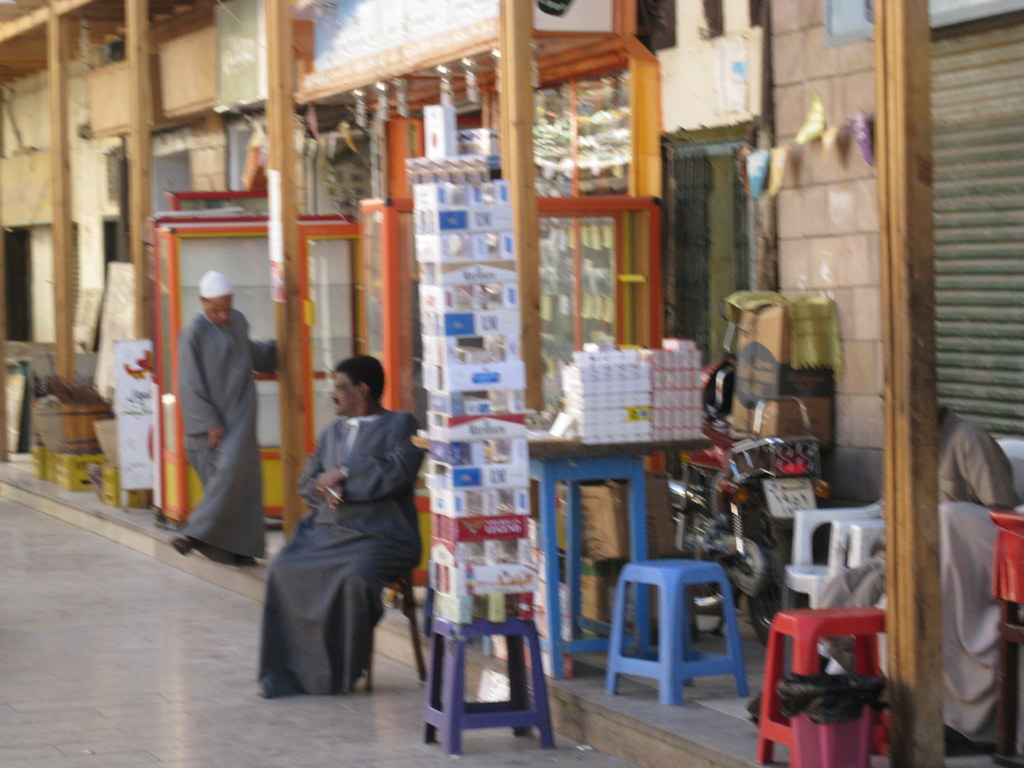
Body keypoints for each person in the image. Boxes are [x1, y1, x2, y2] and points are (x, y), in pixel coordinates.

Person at [816, 405, 1020, 753]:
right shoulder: (904, 447)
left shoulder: (968, 439)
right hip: (898, 554)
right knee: (838, 590)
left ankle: (841, 693)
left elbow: (1000, 516)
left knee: (881, 602)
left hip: (954, 562)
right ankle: (814, 687)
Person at [258, 354, 424, 697]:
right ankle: (289, 672)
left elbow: (396, 473)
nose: (332, 395)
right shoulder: (331, 431)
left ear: (362, 390)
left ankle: (336, 673)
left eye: (339, 388)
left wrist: (345, 475)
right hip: (326, 531)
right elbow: (308, 480)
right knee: (283, 569)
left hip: (381, 534)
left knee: (354, 578)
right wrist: (326, 485)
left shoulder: (402, 425)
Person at [173, 270, 277, 566]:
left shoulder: (239, 321)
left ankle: (226, 545)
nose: (222, 315)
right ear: (202, 302)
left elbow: (248, 352)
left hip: (242, 413)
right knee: (229, 478)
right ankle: (207, 540)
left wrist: (280, 351)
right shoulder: (194, 332)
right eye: (214, 310)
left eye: (226, 308)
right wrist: (209, 422)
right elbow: (189, 382)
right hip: (216, 422)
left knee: (242, 481)